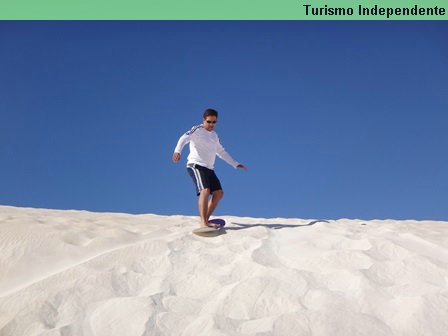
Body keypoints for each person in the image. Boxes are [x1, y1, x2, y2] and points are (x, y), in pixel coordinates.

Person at [172, 108, 247, 228]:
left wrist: (235, 164)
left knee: (219, 193)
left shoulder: (214, 136)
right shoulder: (197, 130)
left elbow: (221, 152)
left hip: (209, 169)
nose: (211, 124)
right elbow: (183, 138)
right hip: (195, 165)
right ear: (204, 120)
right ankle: (203, 223)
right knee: (205, 191)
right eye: (209, 121)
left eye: (214, 122)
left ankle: (205, 219)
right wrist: (177, 151)